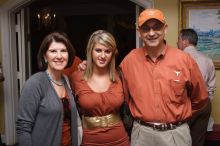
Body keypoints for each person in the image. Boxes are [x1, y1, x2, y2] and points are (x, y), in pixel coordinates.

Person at [79, 9, 209, 146]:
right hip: (142, 134)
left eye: (157, 27)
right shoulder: (129, 61)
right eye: (146, 29)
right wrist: (90, 66)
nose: (151, 33)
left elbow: (200, 99)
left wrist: (177, 118)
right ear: (139, 32)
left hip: (175, 134)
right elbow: (111, 80)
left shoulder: (184, 60)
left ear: (165, 29)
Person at [16, 32, 82, 146]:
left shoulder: (65, 80)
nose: (59, 56)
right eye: (53, 51)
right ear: (45, 56)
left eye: (63, 51)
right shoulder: (35, 83)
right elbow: (23, 128)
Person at [70, 30, 130, 146]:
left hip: (119, 140)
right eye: (98, 50)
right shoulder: (76, 78)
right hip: (89, 140)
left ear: (112, 54)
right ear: (90, 51)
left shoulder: (120, 76)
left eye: (107, 51)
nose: (103, 56)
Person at [177, 28, 216, 146]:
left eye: (178, 39)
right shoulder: (208, 60)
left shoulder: (177, 58)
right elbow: (211, 87)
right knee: (198, 141)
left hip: (185, 104)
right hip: (204, 104)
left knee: (179, 139)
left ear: (184, 42)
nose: (176, 42)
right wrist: (205, 101)